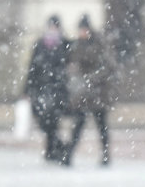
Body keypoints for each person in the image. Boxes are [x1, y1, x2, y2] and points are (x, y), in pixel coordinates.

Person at [67, 14, 115, 166]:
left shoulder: (99, 44)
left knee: (101, 126)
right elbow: (73, 64)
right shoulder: (77, 45)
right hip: (83, 94)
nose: (82, 33)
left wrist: (92, 78)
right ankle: (68, 154)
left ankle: (106, 155)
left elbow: (108, 66)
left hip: (98, 93)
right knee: (78, 125)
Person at [23, 15, 72, 165]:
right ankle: (57, 147)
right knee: (45, 122)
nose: (52, 29)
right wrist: (27, 88)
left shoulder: (65, 44)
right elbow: (32, 68)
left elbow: (70, 66)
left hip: (59, 89)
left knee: (53, 120)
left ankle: (52, 150)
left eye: (55, 27)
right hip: (42, 88)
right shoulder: (40, 44)